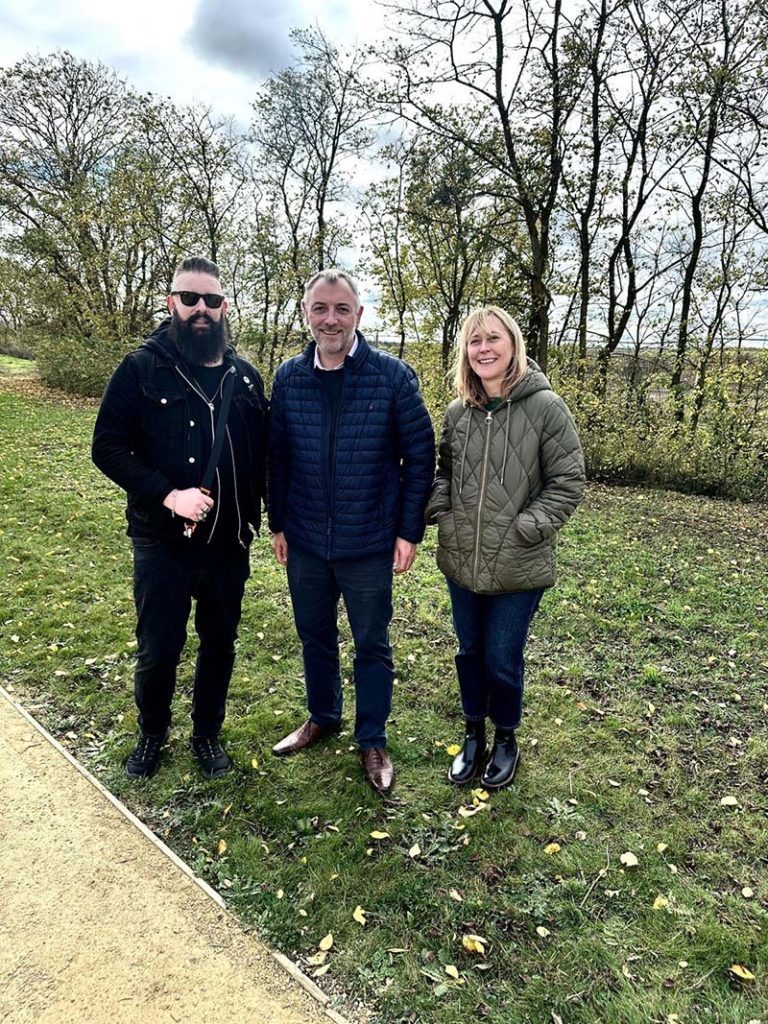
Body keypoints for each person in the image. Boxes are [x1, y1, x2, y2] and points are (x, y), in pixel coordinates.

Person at [92, 256, 268, 779]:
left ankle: (207, 734)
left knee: (219, 643)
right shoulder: (140, 369)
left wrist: (269, 518)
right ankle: (152, 733)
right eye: (189, 298)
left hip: (229, 544)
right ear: (171, 303)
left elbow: (265, 457)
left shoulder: (247, 378)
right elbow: (107, 447)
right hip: (162, 542)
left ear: (224, 307)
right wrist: (169, 494)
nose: (200, 309)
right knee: (159, 647)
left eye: (211, 300)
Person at [268, 268, 435, 795]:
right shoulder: (289, 377)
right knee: (314, 634)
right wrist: (278, 523)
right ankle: (323, 716)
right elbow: (278, 459)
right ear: (306, 314)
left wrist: (408, 530)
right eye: (320, 308)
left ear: (358, 315)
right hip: (307, 540)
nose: (331, 319)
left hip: (369, 540)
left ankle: (372, 738)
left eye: (342, 309)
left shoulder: (392, 376)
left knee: (371, 643)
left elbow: (421, 455)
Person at [425, 306, 585, 791]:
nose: (484, 348)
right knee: (469, 651)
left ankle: (506, 738)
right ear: (465, 353)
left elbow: (567, 481)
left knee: (501, 656)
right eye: (475, 341)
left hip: (519, 563)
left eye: (494, 338)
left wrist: (526, 529)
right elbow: (443, 474)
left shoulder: (546, 408)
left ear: (513, 345)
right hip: (462, 559)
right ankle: (473, 732)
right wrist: (443, 514)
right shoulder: (458, 413)